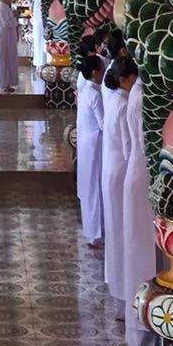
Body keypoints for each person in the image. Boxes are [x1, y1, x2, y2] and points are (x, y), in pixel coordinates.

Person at [119, 58, 154, 346]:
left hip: (139, 171)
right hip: (143, 174)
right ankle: (141, 327)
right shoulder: (142, 96)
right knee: (141, 251)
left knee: (143, 249)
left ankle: (145, 323)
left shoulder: (141, 93)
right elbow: (144, 144)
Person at [100, 61, 130, 312]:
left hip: (113, 168)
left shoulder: (114, 99)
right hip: (123, 170)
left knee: (117, 229)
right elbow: (130, 147)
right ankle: (123, 293)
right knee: (122, 230)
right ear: (123, 80)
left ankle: (119, 289)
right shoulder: (124, 104)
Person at [76, 54, 105, 247]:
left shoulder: (87, 89)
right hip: (95, 145)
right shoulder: (94, 93)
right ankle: (96, 233)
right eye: (102, 70)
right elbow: (104, 124)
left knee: (90, 188)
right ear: (95, 73)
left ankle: (93, 230)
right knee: (94, 188)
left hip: (87, 143)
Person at [0, 0, 19, 91]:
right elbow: (5, 23)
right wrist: (14, 18)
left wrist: (14, 16)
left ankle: (9, 83)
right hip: (4, 35)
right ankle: (4, 84)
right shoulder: (1, 8)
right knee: (4, 59)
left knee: (10, 58)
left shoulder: (6, 6)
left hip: (9, 35)